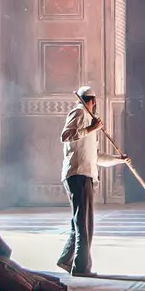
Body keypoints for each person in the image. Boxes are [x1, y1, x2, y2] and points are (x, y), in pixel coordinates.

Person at [57, 86, 104, 275]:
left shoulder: (88, 120)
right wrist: (91, 128)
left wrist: (119, 160)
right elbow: (65, 136)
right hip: (78, 175)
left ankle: (66, 258)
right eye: (94, 102)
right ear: (91, 101)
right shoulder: (79, 111)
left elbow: (95, 156)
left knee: (79, 221)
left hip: (85, 174)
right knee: (84, 224)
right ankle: (81, 267)